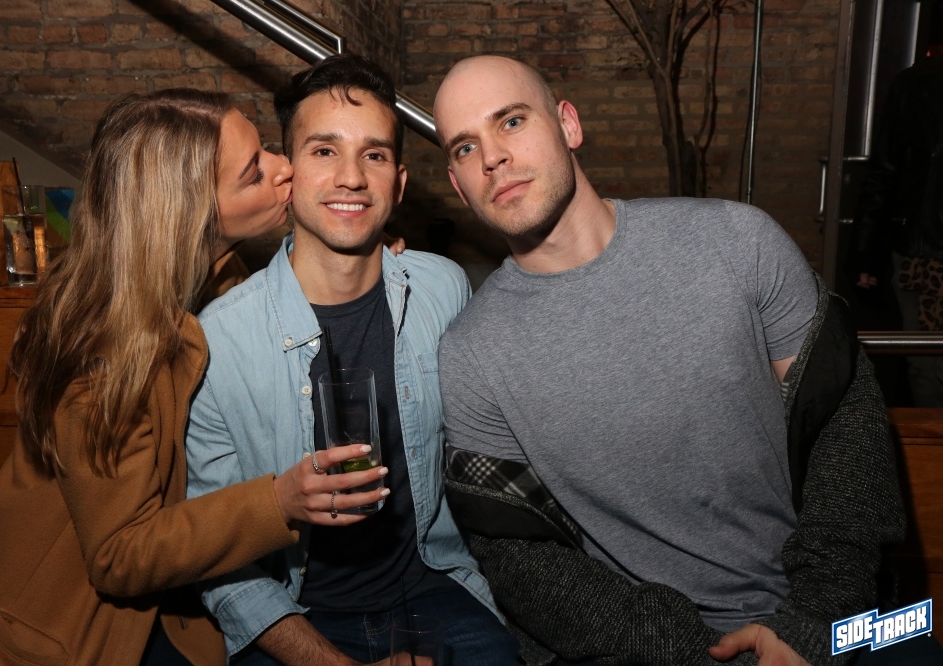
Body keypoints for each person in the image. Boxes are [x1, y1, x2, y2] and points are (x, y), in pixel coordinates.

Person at [432, 55, 910, 666]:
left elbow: (845, 427)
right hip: (646, 650)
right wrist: (689, 653)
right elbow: (517, 555)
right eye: (465, 147)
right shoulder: (471, 352)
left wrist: (816, 624)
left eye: (512, 121)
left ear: (568, 124)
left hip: (847, 621)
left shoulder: (739, 242)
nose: (492, 157)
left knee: (916, 635)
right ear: (457, 183)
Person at [0, 89, 390, 666]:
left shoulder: (212, 276)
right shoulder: (101, 354)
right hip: (63, 630)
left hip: (171, 600)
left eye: (265, 150)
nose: (285, 168)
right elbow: (119, 555)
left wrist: (366, 255)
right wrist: (277, 501)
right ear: (190, 216)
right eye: (254, 173)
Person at [184, 54, 519, 666]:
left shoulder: (443, 290)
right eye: (324, 150)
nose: (351, 178)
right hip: (292, 613)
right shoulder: (220, 341)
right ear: (288, 174)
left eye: (374, 155)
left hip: (434, 588)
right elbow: (221, 560)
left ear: (399, 182)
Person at [848, 2, 943, 407]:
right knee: (924, 366)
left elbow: (884, 174)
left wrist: (866, 254)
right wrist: (866, 253)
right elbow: (885, 173)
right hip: (920, 252)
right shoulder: (914, 85)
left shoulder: (914, 84)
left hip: (921, 251)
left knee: (927, 366)